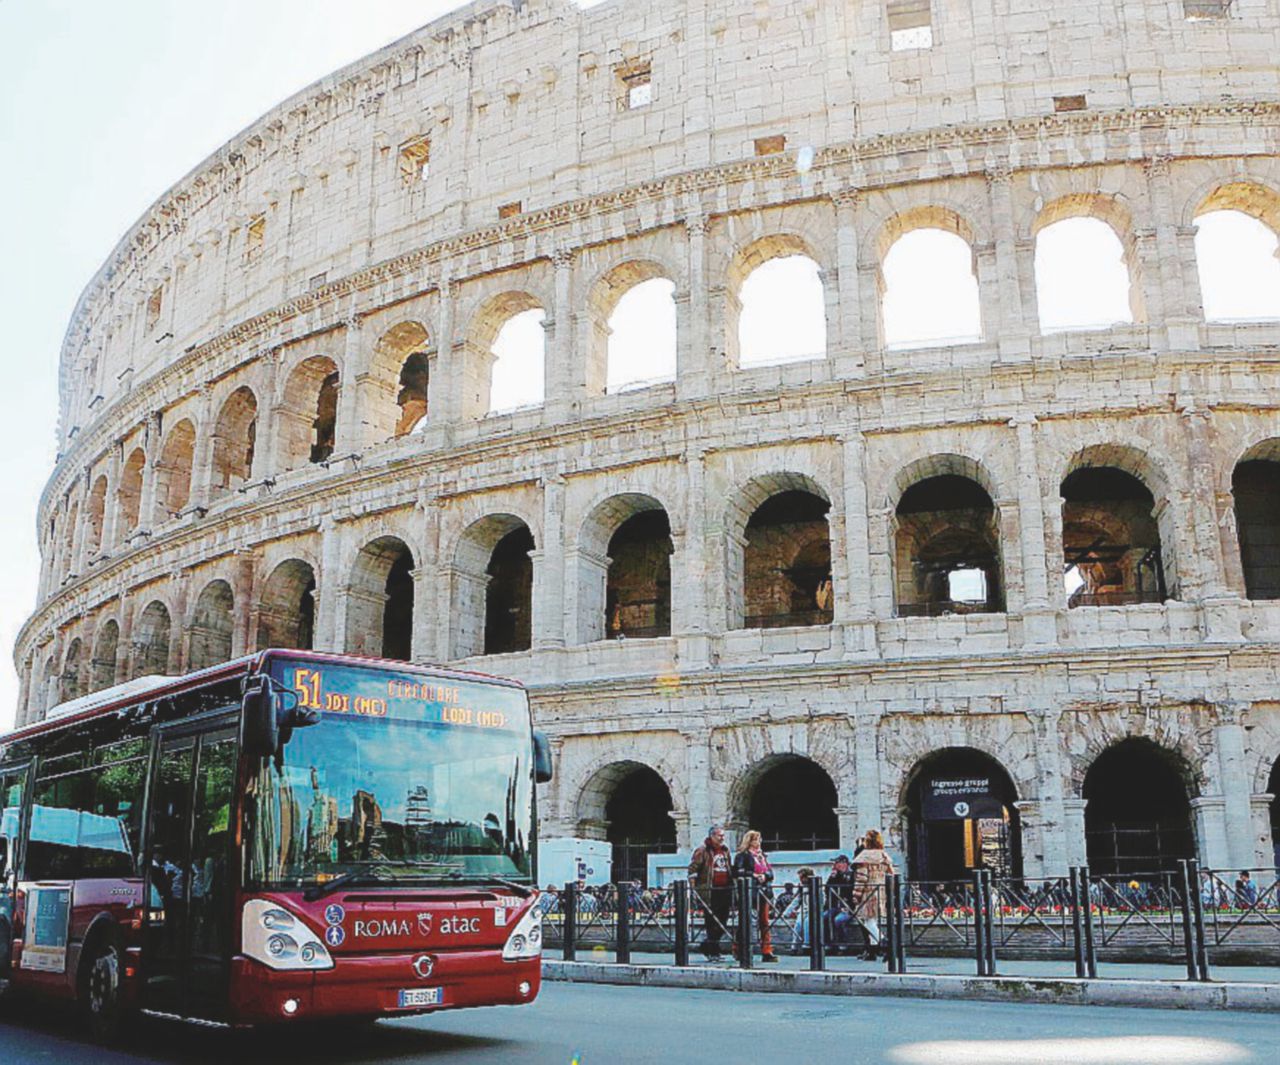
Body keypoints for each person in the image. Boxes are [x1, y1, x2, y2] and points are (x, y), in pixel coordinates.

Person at [688, 824, 734, 960]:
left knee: (723, 920)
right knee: (712, 922)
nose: (722, 838)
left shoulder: (725, 851)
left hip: (724, 889)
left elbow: (729, 867)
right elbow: (693, 870)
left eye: (723, 835)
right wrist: (694, 889)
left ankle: (707, 945)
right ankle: (713, 951)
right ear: (712, 836)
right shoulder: (702, 851)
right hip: (710, 890)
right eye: (720, 835)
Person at [851, 829, 896, 960]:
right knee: (873, 920)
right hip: (881, 890)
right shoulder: (884, 856)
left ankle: (885, 943)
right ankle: (873, 950)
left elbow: (861, 878)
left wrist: (856, 895)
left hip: (868, 891)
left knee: (867, 921)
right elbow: (891, 875)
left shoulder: (865, 857)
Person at [733, 830, 777, 962]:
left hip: (764, 892)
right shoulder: (742, 855)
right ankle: (739, 948)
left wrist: (765, 876)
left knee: (764, 921)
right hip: (749, 892)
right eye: (756, 840)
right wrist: (753, 875)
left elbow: (770, 873)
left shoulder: (762, 856)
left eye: (759, 839)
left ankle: (767, 950)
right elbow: (737, 871)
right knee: (745, 921)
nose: (759, 843)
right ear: (750, 841)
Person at [826, 854, 865, 955]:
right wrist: (832, 877)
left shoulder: (852, 875)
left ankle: (843, 945)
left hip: (849, 906)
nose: (835, 865)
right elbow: (828, 890)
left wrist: (849, 906)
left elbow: (852, 891)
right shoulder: (835, 875)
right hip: (835, 906)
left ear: (844, 864)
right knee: (824, 917)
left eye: (837, 863)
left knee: (838, 920)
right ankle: (828, 944)